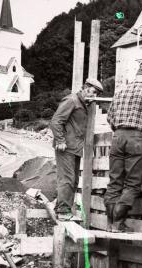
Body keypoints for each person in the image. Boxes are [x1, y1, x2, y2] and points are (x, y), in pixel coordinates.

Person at [104, 67, 142, 232]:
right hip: (137, 137)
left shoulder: (120, 92)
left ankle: (111, 223)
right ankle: (118, 221)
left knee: (114, 182)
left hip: (117, 137)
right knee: (132, 183)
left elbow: (110, 118)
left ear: (136, 77)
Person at [50, 78, 103, 220]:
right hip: (65, 147)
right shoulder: (72, 100)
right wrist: (60, 140)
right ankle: (63, 212)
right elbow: (56, 121)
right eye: (93, 91)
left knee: (73, 181)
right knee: (67, 179)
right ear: (85, 87)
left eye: (97, 93)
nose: (94, 95)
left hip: (75, 148)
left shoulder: (84, 103)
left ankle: (62, 208)